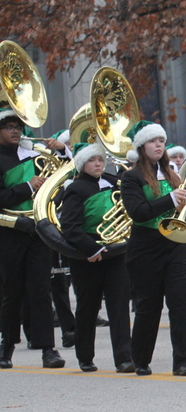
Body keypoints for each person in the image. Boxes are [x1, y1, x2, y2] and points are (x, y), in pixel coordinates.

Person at [120, 120, 186, 376]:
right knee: (149, 306)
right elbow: (138, 212)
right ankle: (140, 359)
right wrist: (170, 199)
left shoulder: (174, 175)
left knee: (180, 304)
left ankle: (182, 362)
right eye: (153, 141)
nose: (159, 145)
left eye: (161, 141)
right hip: (146, 247)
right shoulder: (131, 177)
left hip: (174, 245)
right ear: (142, 146)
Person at [0, 108, 67, 369]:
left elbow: (62, 177)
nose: (16, 131)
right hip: (10, 232)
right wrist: (28, 186)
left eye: (18, 127)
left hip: (37, 230)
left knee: (41, 290)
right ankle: (6, 346)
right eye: (9, 127)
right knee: (12, 290)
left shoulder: (34, 155)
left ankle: (48, 349)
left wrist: (62, 150)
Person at [59, 142, 133, 373]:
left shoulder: (114, 182)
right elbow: (69, 226)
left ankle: (124, 358)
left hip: (116, 251)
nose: (98, 164)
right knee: (87, 307)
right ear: (82, 164)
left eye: (100, 159)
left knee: (119, 306)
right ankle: (85, 357)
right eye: (92, 160)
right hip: (88, 255)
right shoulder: (76, 188)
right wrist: (92, 249)